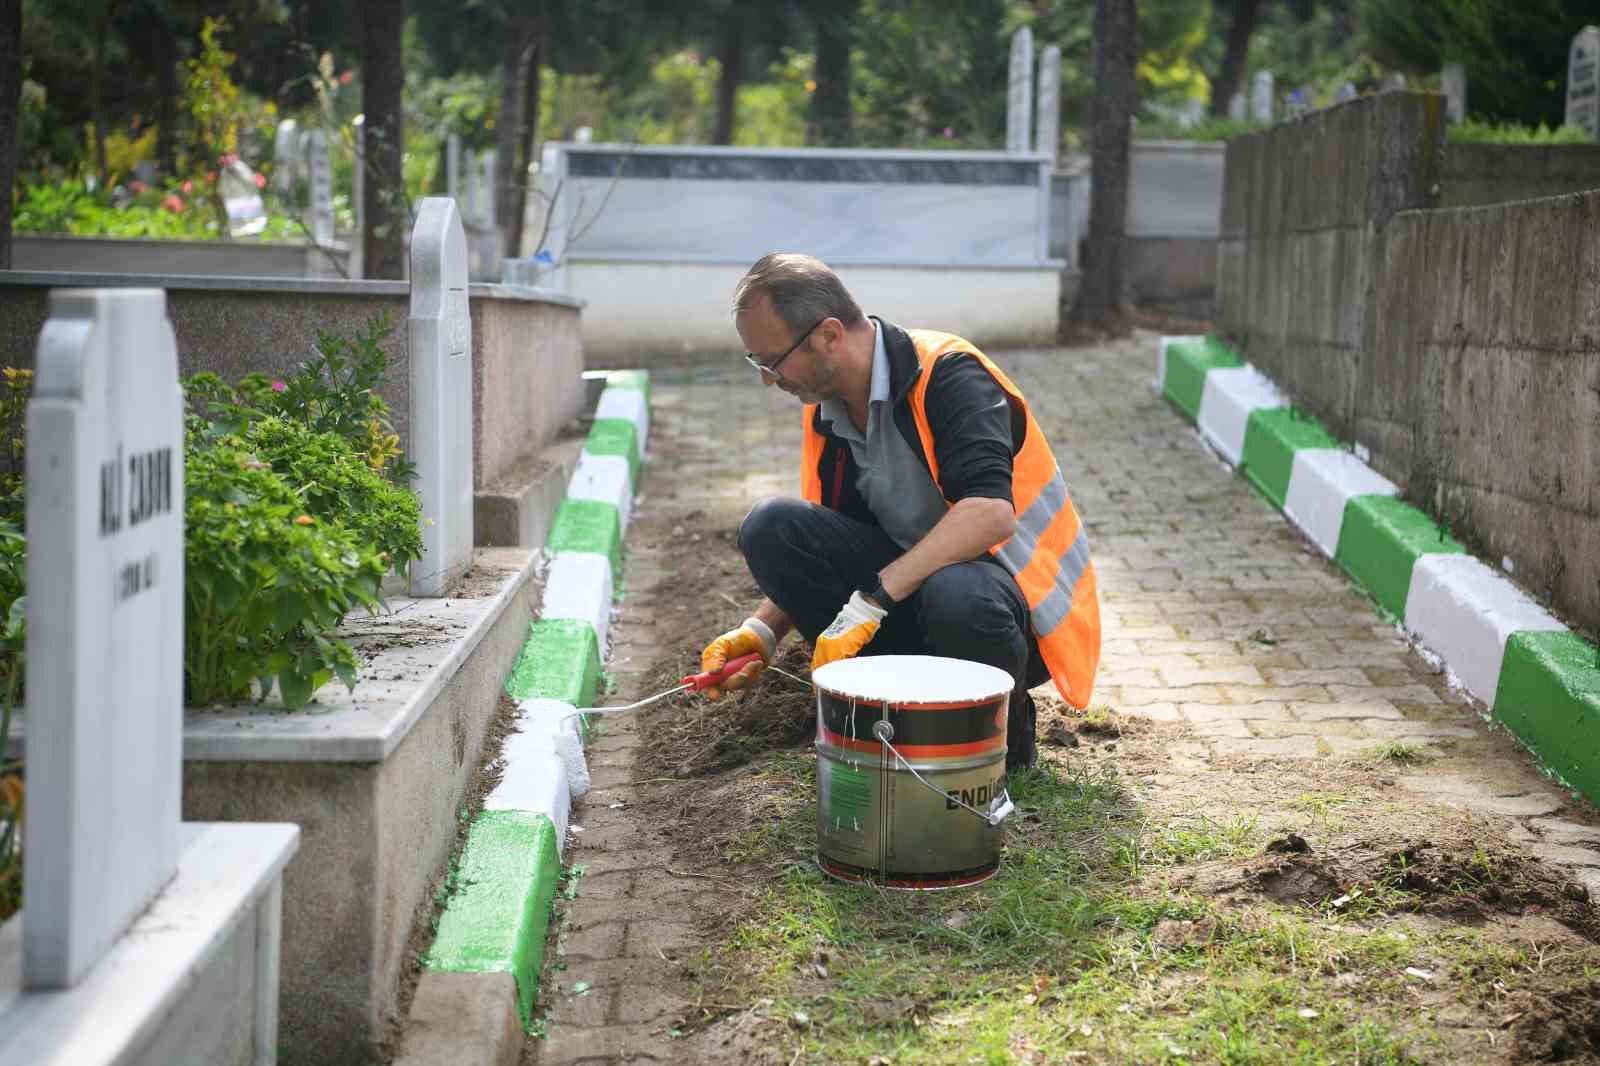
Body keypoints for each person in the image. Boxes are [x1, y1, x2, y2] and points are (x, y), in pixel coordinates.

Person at [699, 253, 1101, 770]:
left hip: (1009, 608)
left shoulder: (949, 373)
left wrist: (872, 599)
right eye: (759, 363)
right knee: (772, 526)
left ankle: (997, 741)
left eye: (773, 360)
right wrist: (761, 631)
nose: (769, 380)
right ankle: (882, 721)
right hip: (912, 590)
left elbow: (989, 514)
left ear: (828, 335)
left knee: (956, 593)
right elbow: (831, 538)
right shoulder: (829, 410)